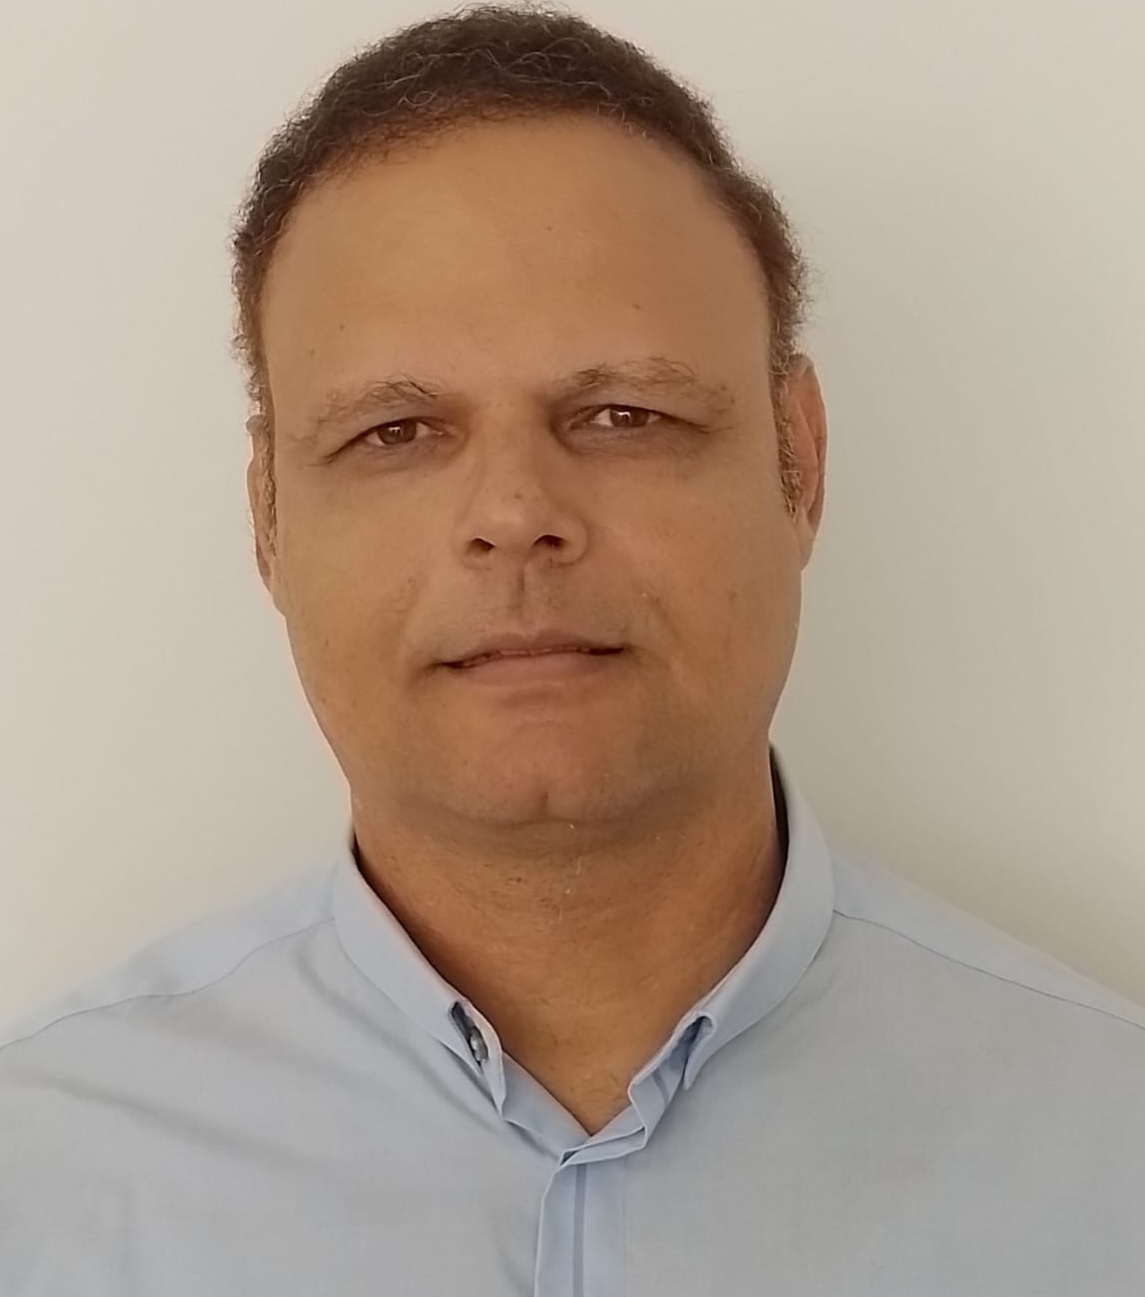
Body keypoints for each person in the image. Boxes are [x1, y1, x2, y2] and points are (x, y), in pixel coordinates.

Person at [2, 4, 1143, 1293]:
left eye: (624, 413)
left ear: (802, 463)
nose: (515, 514)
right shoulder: (34, 1184)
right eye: (395, 433)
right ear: (267, 518)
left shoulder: (1115, 1162)